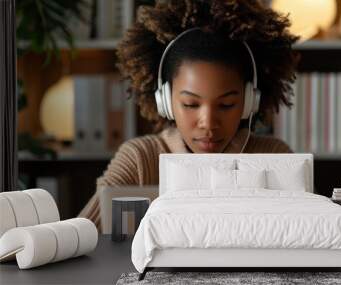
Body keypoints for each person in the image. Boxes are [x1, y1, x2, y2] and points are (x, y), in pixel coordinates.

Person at [79, 0, 300, 230]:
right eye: (190, 104)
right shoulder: (140, 160)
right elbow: (78, 235)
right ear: (165, 100)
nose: (208, 123)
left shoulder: (275, 158)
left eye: (226, 105)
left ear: (249, 103)